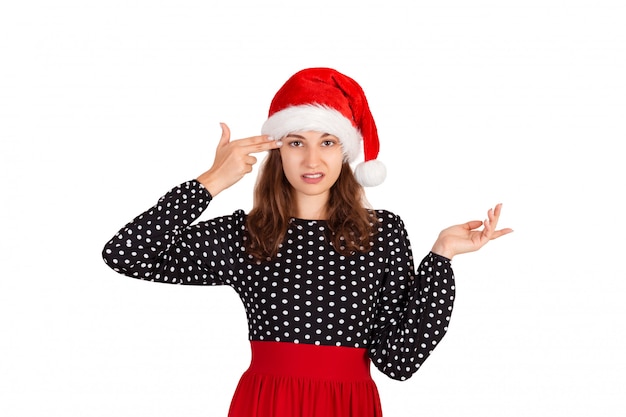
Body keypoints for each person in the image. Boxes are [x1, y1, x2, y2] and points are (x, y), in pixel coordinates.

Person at [102, 67, 512, 417]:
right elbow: (125, 253)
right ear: (277, 150)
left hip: (348, 405)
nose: (312, 161)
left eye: (328, 142)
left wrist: (441, 258)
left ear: (346, 153)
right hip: (267, 404)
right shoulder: (247, 234)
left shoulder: (382, 233)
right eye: (297, 142)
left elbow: (399, 360)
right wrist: (212, 181)